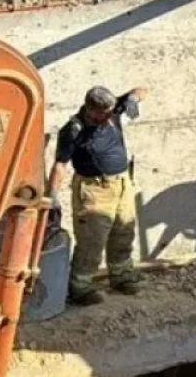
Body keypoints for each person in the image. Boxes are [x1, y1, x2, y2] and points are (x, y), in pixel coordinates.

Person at [51, 86, 147, 305]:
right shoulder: (73, 130)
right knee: (92, 240)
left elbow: (142, 90)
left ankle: (121, 275)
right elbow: (60, 164)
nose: (110, 118)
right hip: (95, 190)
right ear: (92, 110)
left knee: (123, 231)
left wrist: (132, 98)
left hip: (122, 184)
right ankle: (80, 287)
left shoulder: (112, 111)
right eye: (104, 114)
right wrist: (53, 195)